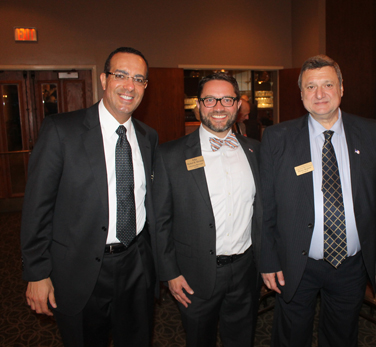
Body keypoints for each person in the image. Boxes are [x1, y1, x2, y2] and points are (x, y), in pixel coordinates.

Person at [20, 47, 158, 346]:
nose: (129, 86)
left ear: (145, 86)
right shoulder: (61, 130)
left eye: (138, 79)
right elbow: (36, 208)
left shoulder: (149, 137)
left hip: (136, 265)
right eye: (121, 75)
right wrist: (37, 272)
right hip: (79, 270)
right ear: (104, 79)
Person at [260, 55, 376, 347]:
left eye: (328, 84)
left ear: (342, 88)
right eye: (310, 87)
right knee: (292, 336)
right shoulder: (276, 138)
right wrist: (268, 260)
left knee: (343, 336)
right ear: (301, 94)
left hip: (351, 264)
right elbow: (265, 207)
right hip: (296, 263)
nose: (319, 94)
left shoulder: (372, 132)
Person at [154, 72, 262, 347]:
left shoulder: (257, 152)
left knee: (242, 340)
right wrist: (170, 273)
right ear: (198, 105)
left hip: (245, 270)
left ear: (238, 105)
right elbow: (160, 221)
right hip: (194, 274)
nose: (218, 107)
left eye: (227, 99)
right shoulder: (170, 155)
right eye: (210, 99)